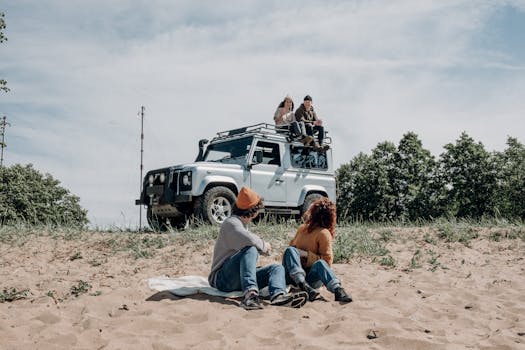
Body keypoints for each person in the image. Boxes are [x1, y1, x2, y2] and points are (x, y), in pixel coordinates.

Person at [209, 186, 308, 310]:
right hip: (222, 279)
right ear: (253, 210)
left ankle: (278, 295)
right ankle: (250, 296)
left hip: (237, 278)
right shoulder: (231, 223)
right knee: (251, 249)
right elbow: (250, 240)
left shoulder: (240, 224)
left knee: (276, 268)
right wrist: (264, 245)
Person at [282, 198, 353, 304]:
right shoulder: (302, 229)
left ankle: (337, 289)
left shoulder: (323, 233)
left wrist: (305, 255)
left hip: (310, 277)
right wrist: (297, 255)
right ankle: (302, 284)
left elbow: (326, 261)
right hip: (293, 276)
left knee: (320, 263)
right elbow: (290, 252)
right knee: (290, 250)